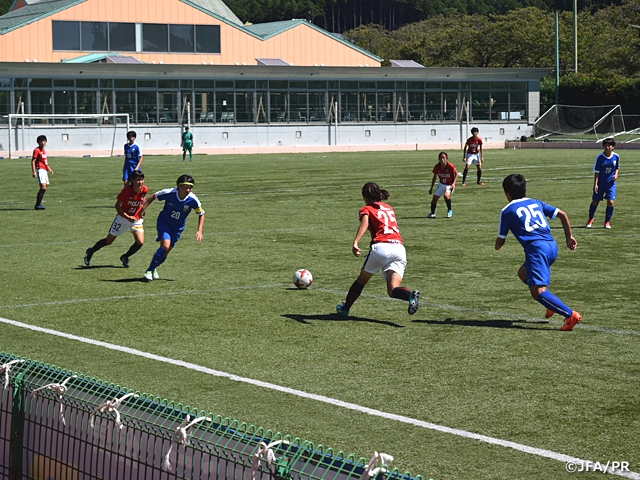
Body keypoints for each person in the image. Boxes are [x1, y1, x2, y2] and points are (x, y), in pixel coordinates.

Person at [495, 174, 581, 331]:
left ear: (507, 193)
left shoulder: (506, 210)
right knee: (523, 273)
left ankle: (570, 315)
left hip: (537, 250)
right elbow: (563, 214)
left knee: (538, 292)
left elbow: (501, 239)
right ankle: (551, 304)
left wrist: (497, 246)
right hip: (551, 246)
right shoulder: (536, 202)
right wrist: (569, 237)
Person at [336, 182, 420, 317]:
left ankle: (345, 308)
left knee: (361, 280)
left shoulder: (366, 209)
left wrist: (355, 242)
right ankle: (410, 296)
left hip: (381, 247)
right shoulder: (389, 208)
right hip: (399, 248)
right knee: (393, 290)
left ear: (364, 196)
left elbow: (365, 223)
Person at [139, 174, 205, 281]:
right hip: (164, 222)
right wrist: (143, 209)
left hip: (178, 227)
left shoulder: (193, 199)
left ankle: (154, 268)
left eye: (190, 187)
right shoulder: (169, 193)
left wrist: (199, 230)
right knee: (165, 246)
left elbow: (201, 213)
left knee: (166, 251)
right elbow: (153, 196)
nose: (188, 190)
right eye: (185, 187)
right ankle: (149, 270)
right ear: (178, 186)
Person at [84, 170, 148, 268]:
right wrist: (127, 217)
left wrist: (142, 211)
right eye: (138, 180)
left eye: (142, 179)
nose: (140, 182)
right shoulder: (126, 191)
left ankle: (125, 256)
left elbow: (143, 201)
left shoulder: (144, 189)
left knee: (140, 242)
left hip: (136, 219)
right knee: (109, 241)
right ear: (131, 180)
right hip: (122, 218)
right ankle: (90, 251)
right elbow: (117, 206)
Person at [586, 138, 619, 229]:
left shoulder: (616, 156)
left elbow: (617, 167)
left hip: (611, 184)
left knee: (610, 202)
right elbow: (597, 172)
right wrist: (595, 184)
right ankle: (590, 219)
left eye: (609, 145)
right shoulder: (600, 157)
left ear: (613, 147)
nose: (607, 147)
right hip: (600, 183)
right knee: (595, 202)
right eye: (605, 146)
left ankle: (607, 222)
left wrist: (616, 174)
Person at [427, 151, 457, 218]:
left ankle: (449, 211)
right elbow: (434, 177)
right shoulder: (437, 167)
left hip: (449, 185)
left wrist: (454, 183)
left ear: (446, 158)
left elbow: (456, 174)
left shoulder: (450, 166)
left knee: (446, 196)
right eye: (440, 158)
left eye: (443, 158)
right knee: (434, 199)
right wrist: (431, 188)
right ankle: (432, 213)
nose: (442, 159)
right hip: (441, 184)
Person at [31, 135, 53, 210]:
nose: (42, 143)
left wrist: (49, 169)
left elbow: (44, 162)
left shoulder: (43, 151)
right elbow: (33, 161)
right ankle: (37, 205)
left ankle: (38, 204)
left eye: (44, 141)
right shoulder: (36, 150)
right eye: (41, 141)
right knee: (43, 187)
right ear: (38, 142)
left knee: (44, 187)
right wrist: (34, 171)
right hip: (39, 170)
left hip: (44, 170)